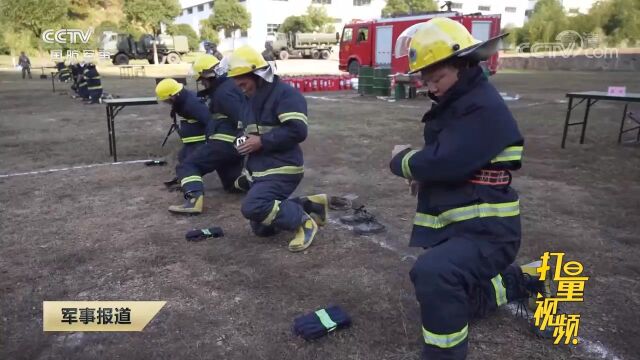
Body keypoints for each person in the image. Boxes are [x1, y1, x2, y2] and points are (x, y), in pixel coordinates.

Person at [388, 18, 549, 359]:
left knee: (434, 274)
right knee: (454, 297)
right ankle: (520, 281)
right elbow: (455, 160)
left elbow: (446, 162)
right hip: (469, 225)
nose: (432, 88)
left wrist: (401, 161)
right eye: (427, 81)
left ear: (464, 64)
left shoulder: (481, 107)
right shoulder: (462, 102)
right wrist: (427, 172)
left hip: (489, 232)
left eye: (438, 78)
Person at [226, 45, 328, 252]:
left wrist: (261, 141)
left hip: (282, 169)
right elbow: (241, 132)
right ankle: (310, 204)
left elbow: (297, 131)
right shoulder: (247, 100)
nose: (239, 85)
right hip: (260, 170)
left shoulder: (286, 95)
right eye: (235, 80)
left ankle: (304, 222)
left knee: (253, 207)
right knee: (262, 229)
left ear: (257, 74)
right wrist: (240, 144)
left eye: (242, 79)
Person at [167, 55, 249, 214]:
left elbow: (241, 118)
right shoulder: (228, 87)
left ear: (209, 75)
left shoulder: (223, 93)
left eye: (202, 80)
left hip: (224, 144)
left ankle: (193, 201)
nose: (202, 83)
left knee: (188, 166)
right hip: (232, 145)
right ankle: (258, 182)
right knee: (232, 183)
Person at [155, 78, 208, 207]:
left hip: (200, 141)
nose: (165, 102)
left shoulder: (192, 104)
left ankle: (193, 196)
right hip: (192, 141)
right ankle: (184, 181)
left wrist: (210, 142)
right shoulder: (183, 100)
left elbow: (209, 120)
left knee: (187, 164)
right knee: (182, 157)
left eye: (165, 100)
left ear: (172, 96)